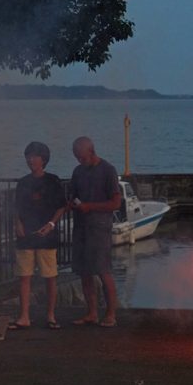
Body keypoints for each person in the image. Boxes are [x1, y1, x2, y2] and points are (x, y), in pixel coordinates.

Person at [10, 141, 67, 330]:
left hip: (46, 235)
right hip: (26, 235)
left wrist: (51, 224)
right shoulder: (23, 182)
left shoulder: (53, 181)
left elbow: (61, 205)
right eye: (28, 156)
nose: (30, 160)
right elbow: (16, 208)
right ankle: (24, 316)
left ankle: (51, 315)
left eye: (34, 156)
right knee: (24, 276)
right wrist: (17, 223)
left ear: (43, 159)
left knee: (50, 276)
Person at [66, 136, 120, 328]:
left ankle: (111, 314)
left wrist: (90, 206)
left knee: (103, 271)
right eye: (76, 157)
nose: (79, 160)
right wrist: (73, 203)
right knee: (84, 272)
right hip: (81, 227)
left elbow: (116, 202)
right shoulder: (78, 171)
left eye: (81, 156)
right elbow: (73, 195)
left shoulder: (108, 171)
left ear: (91, 151)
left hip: (99, 228)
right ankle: (92, 313)